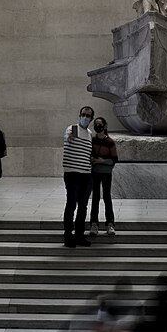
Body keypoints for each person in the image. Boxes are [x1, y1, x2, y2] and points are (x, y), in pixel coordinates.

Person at [62, 106, 94, 248]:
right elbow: (70, 139)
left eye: (88, 116)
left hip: (86, 175)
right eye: (83, 114)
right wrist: (70, 137)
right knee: (71, 205)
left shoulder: (89, 134)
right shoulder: (73, 128)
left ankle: (80, 235)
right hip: (72, 173)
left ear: (91, 119)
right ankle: (68, 236)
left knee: (83, 207)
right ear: (79, 115)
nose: (85, 117)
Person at [90, 117, 118, 237]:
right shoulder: (92, 140)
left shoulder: (110, 142)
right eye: (96, 124)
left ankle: (110, 223)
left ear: (105, 126)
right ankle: (94, 224)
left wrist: (101, 161)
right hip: (95, 172)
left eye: (99, 124)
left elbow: (114, 159)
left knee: (107, 197)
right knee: (95, 198)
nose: (97, 126)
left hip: (106, 173)